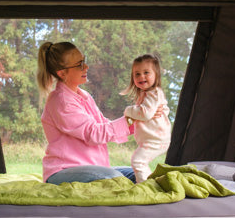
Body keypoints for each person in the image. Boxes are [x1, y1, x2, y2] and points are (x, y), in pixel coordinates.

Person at [37, 41, 136, 184]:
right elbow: (93, 133)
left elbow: (103, 125)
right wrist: (130, 120)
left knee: (137, 173)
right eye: (80, 65)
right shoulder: (61, 101)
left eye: (84, 61)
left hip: (92, 168)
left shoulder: (84, 96)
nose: (86, 67)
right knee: (116, 180)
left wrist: (137, 122)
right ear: (62, 73)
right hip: (63, 171)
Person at [122, 54, 172, 182]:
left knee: (138, 161)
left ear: (156, 74)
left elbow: (145, 114)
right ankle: (148, 183)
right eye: (137, 74)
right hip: (152, 139)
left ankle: (145, 186)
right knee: (140, 162)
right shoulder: (147, 94)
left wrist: (128, 110)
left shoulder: (154, 93)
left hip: (155, 140)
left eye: (146, 72)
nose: (141, 76)